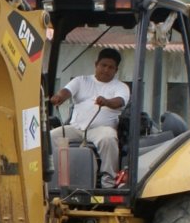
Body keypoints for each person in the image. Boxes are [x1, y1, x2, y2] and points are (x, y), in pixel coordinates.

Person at [49, 47, 130, 187]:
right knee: (49, 137)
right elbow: (66, 91)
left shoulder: (121, 87)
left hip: (101, 130)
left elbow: (120, 101)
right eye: (103, 65)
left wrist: (107, 102)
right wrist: (59, 97)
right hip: (75, 128)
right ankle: (50, 177)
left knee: (109, 139)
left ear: (116, 70)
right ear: (96, 64)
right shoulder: (81, 81)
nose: (106, 70)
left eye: (111, 67)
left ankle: (108, 181)